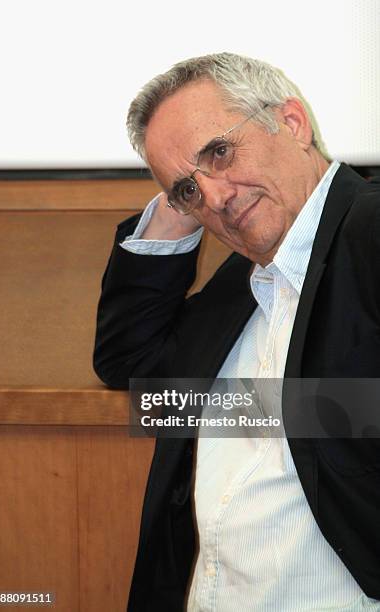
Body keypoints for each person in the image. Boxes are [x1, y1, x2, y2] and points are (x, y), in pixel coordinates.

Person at [93, 53, 380, 611]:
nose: (217, 199)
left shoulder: (369, 234)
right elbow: (134, 371)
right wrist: (181, 197)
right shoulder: (242, 280)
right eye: (189, 190)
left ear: (292, 123)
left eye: (220, 151)